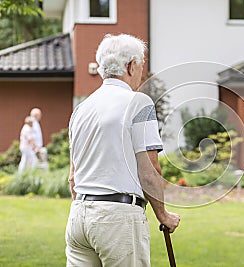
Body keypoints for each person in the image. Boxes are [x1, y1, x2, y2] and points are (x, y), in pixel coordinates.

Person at [66, 34, 180, 266]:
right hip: (117, 219)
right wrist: (163, 215)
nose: (142, 73)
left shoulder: (81, 109)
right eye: (141, 66)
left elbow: (72, 177)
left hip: (79, 217)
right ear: (130, 66)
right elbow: (149, 170)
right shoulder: (139, 102)